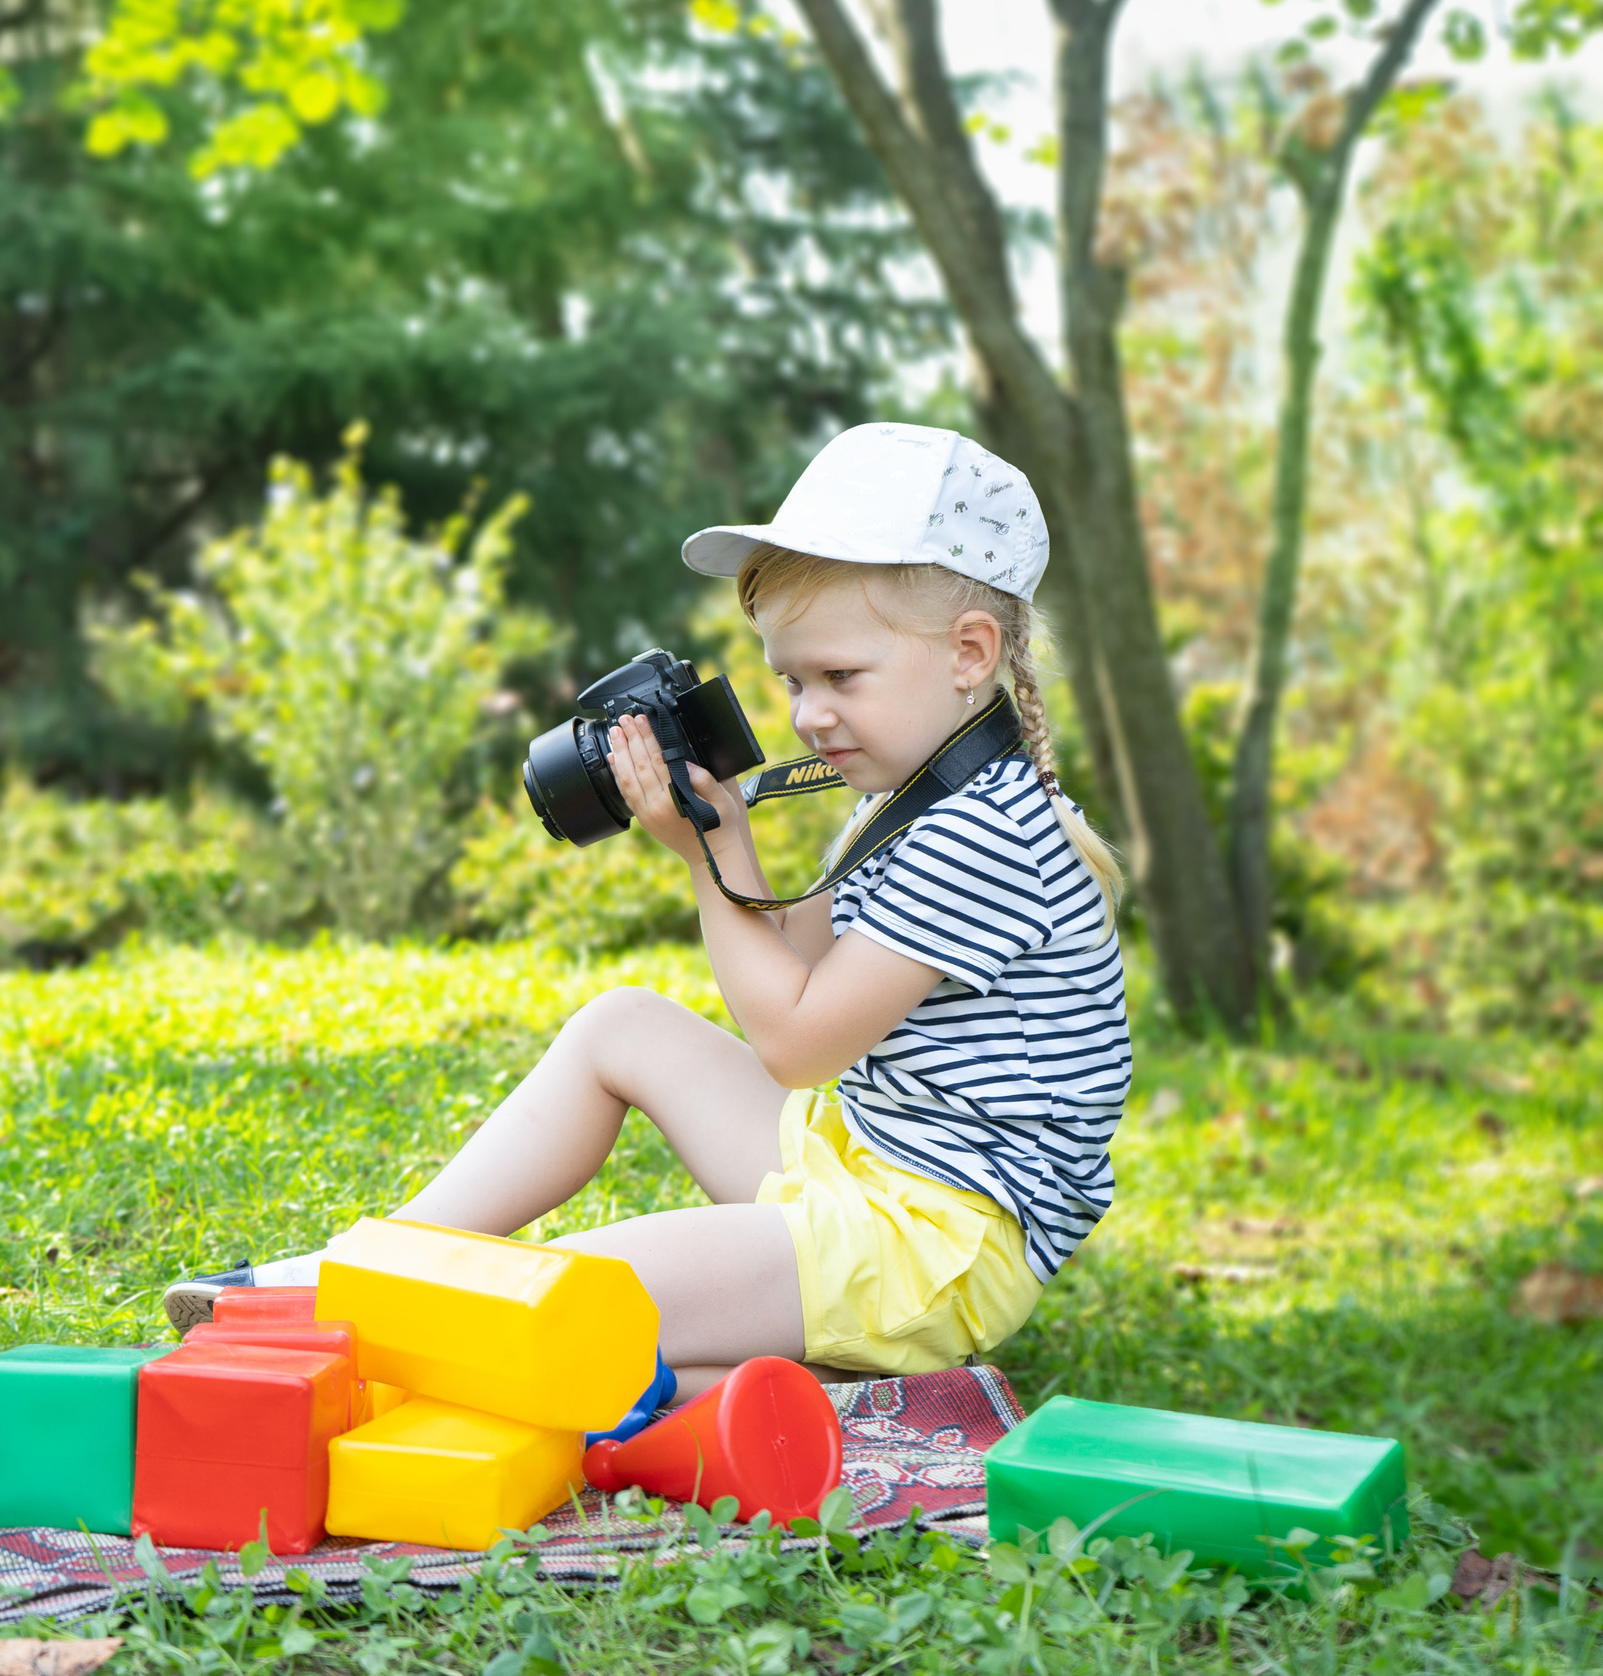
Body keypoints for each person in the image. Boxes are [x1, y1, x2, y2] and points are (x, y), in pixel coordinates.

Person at [165, 423, 1131, 1405]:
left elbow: (796, 1043)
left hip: (928, 1243)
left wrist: (710, 858)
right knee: (621, 1027)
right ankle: (374, 1266)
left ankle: (363, 1311)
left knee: (563, 1298)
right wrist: (723, 835)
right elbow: (802, 967)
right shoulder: (910, 798)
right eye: (792, 680)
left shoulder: (981, 832)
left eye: (841, 677)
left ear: (969, 653)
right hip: (864, 1171)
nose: (807, 715)